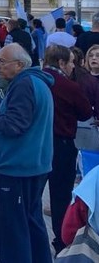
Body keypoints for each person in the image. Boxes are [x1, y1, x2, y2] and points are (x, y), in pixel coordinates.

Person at [0, 43, 54, 263]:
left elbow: (15, 126)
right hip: (34, 165)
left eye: (2, 62)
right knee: (32, 223)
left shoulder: (24, 85)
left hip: (18, 168)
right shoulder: (36, 82)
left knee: (12, 231)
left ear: (20, 64)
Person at [41, 45, 92, 254]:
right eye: (71, 62)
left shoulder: (36, 79)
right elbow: (85, 112)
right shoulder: (68, 86)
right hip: (61, 144)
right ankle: (61, 241)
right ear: (61, 63)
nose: (73, 66)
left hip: (37, 144)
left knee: (31, 193)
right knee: (60, 195)